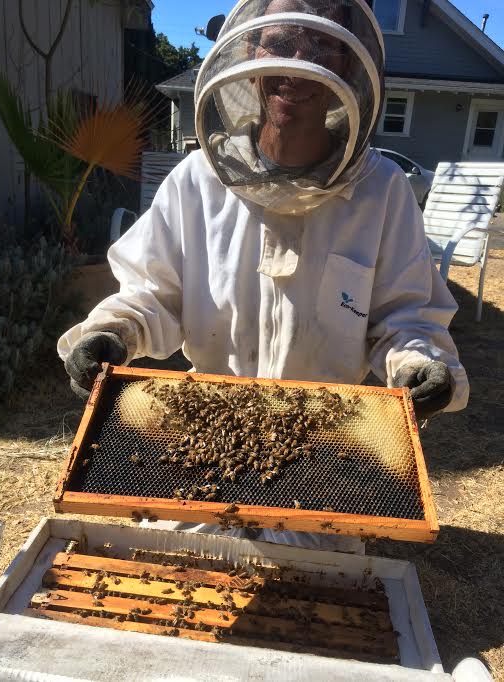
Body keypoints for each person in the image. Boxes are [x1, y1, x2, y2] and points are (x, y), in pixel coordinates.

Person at [58, 0, 468, 547]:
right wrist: (113, 332)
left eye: (321, 45)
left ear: (349, 66)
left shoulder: (382, 190)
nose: (298, 63)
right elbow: (152, 293)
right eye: (279, 42)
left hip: (326, 461)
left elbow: (404, 316)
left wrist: (421, 362)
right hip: (200, 460)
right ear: (248, 52)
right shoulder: (197, 182)